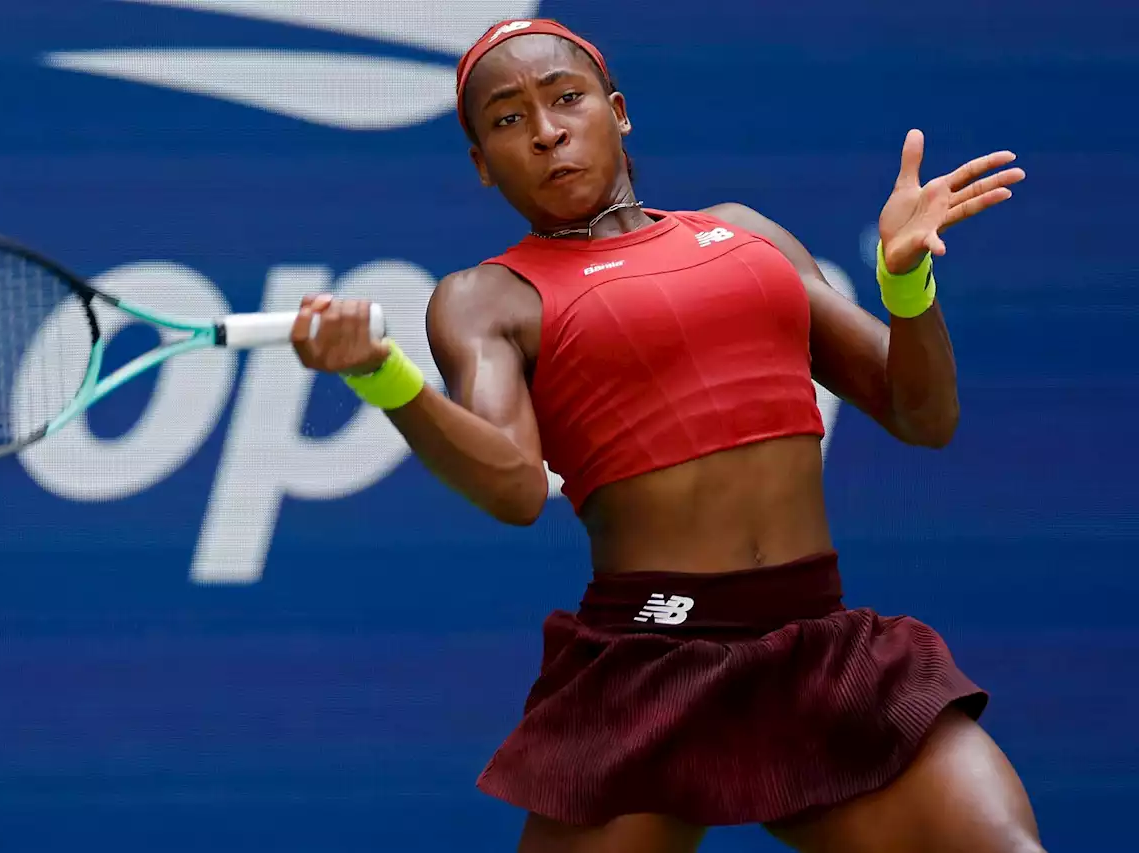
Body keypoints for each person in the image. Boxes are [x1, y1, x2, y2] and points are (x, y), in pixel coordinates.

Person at [289, 17, 1040, 853]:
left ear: (616, 110)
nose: (545, 133)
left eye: (566, 99)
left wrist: (906, 283)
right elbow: (510, 484)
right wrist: (381, 375)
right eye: (506, 120)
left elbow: (922, 414)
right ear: (480, 163)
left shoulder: (746, 235)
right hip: (649, 666)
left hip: (821, 654)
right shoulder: (486, 298)